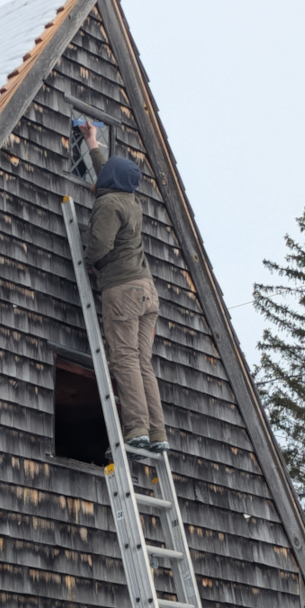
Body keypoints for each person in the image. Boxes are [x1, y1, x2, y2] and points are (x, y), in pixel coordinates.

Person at [79, 121, 169, 454]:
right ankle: (158, 432)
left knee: (125, 360)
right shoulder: (129, 200)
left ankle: (137, 428)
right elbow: (108, 175)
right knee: (142, 362)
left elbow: (100, 243)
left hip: (122, 290)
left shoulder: (108, 205)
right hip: (148, 292)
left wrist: (89, 260)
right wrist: (93, 143)